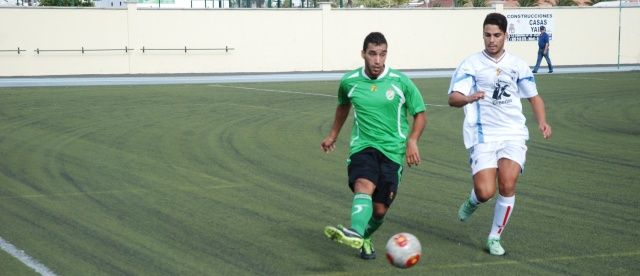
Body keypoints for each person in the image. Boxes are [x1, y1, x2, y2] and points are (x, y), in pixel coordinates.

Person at [447, 13, 552, 256]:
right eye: (487, 35)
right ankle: (474, 200)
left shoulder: (517, 65)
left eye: (496, 35)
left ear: (505, 35)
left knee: (507, 183)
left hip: (513, 134)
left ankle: (494, 236)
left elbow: (533, 97)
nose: (491, 40)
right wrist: (468, 98)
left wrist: (542, 122)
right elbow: (452, 98)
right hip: (483, 135)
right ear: (482, 35)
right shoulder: (471, 64)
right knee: (486, 192)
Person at [321, 32, 427, 260]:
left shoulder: (400, 82)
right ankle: (355, 230)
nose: (377, 60)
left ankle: (364, 236)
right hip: (363, 146)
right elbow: (343, 106)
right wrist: (333, 134)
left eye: (382, 54)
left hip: (393, 152)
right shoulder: (349, 81)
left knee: (379, 210)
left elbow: (420, 113)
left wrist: (412, 140)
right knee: (363, 184)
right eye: (372, 54)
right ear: (363, 54)